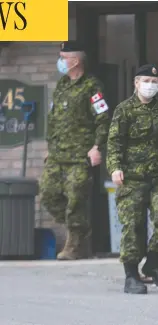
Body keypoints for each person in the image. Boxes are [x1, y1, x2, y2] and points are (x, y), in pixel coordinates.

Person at [106, 64, 158, 294]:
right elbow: (114, 143)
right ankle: (131, 275)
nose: (150, 86)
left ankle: (153, 260)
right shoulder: (124, 110)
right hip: (132, 177)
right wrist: (115, 168)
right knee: (133, 225)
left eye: (154, 82)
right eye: (145, 81)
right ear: (136, 83)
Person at [39, 41, 110, 260]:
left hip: (80, 155)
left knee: (76, 199)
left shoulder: (91, 86)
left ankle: (75, 245)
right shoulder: (61, 85)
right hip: (57, 154)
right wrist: (49, 146)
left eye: (63, 57)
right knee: (48, 195)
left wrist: (97, 147)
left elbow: (103, 118)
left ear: (76, 61)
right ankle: (79, 231)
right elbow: (53, 118)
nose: (60, 62)